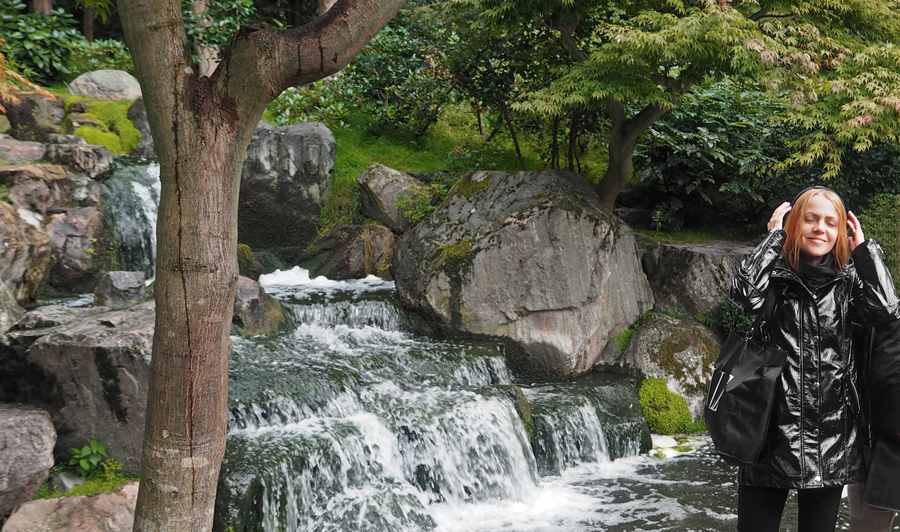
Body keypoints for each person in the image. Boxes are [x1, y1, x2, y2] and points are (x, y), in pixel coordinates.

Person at [729, 186, 900, 532]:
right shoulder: (773, 275)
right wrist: (773, 239)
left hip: (832, 439)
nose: (820, 228)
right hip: (766, 434)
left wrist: (865, 251)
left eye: (830, 222)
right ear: (794, 224)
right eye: (810, 219)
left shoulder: (848, 283)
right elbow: (744, 294)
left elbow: (886, 309)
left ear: (841, 232)